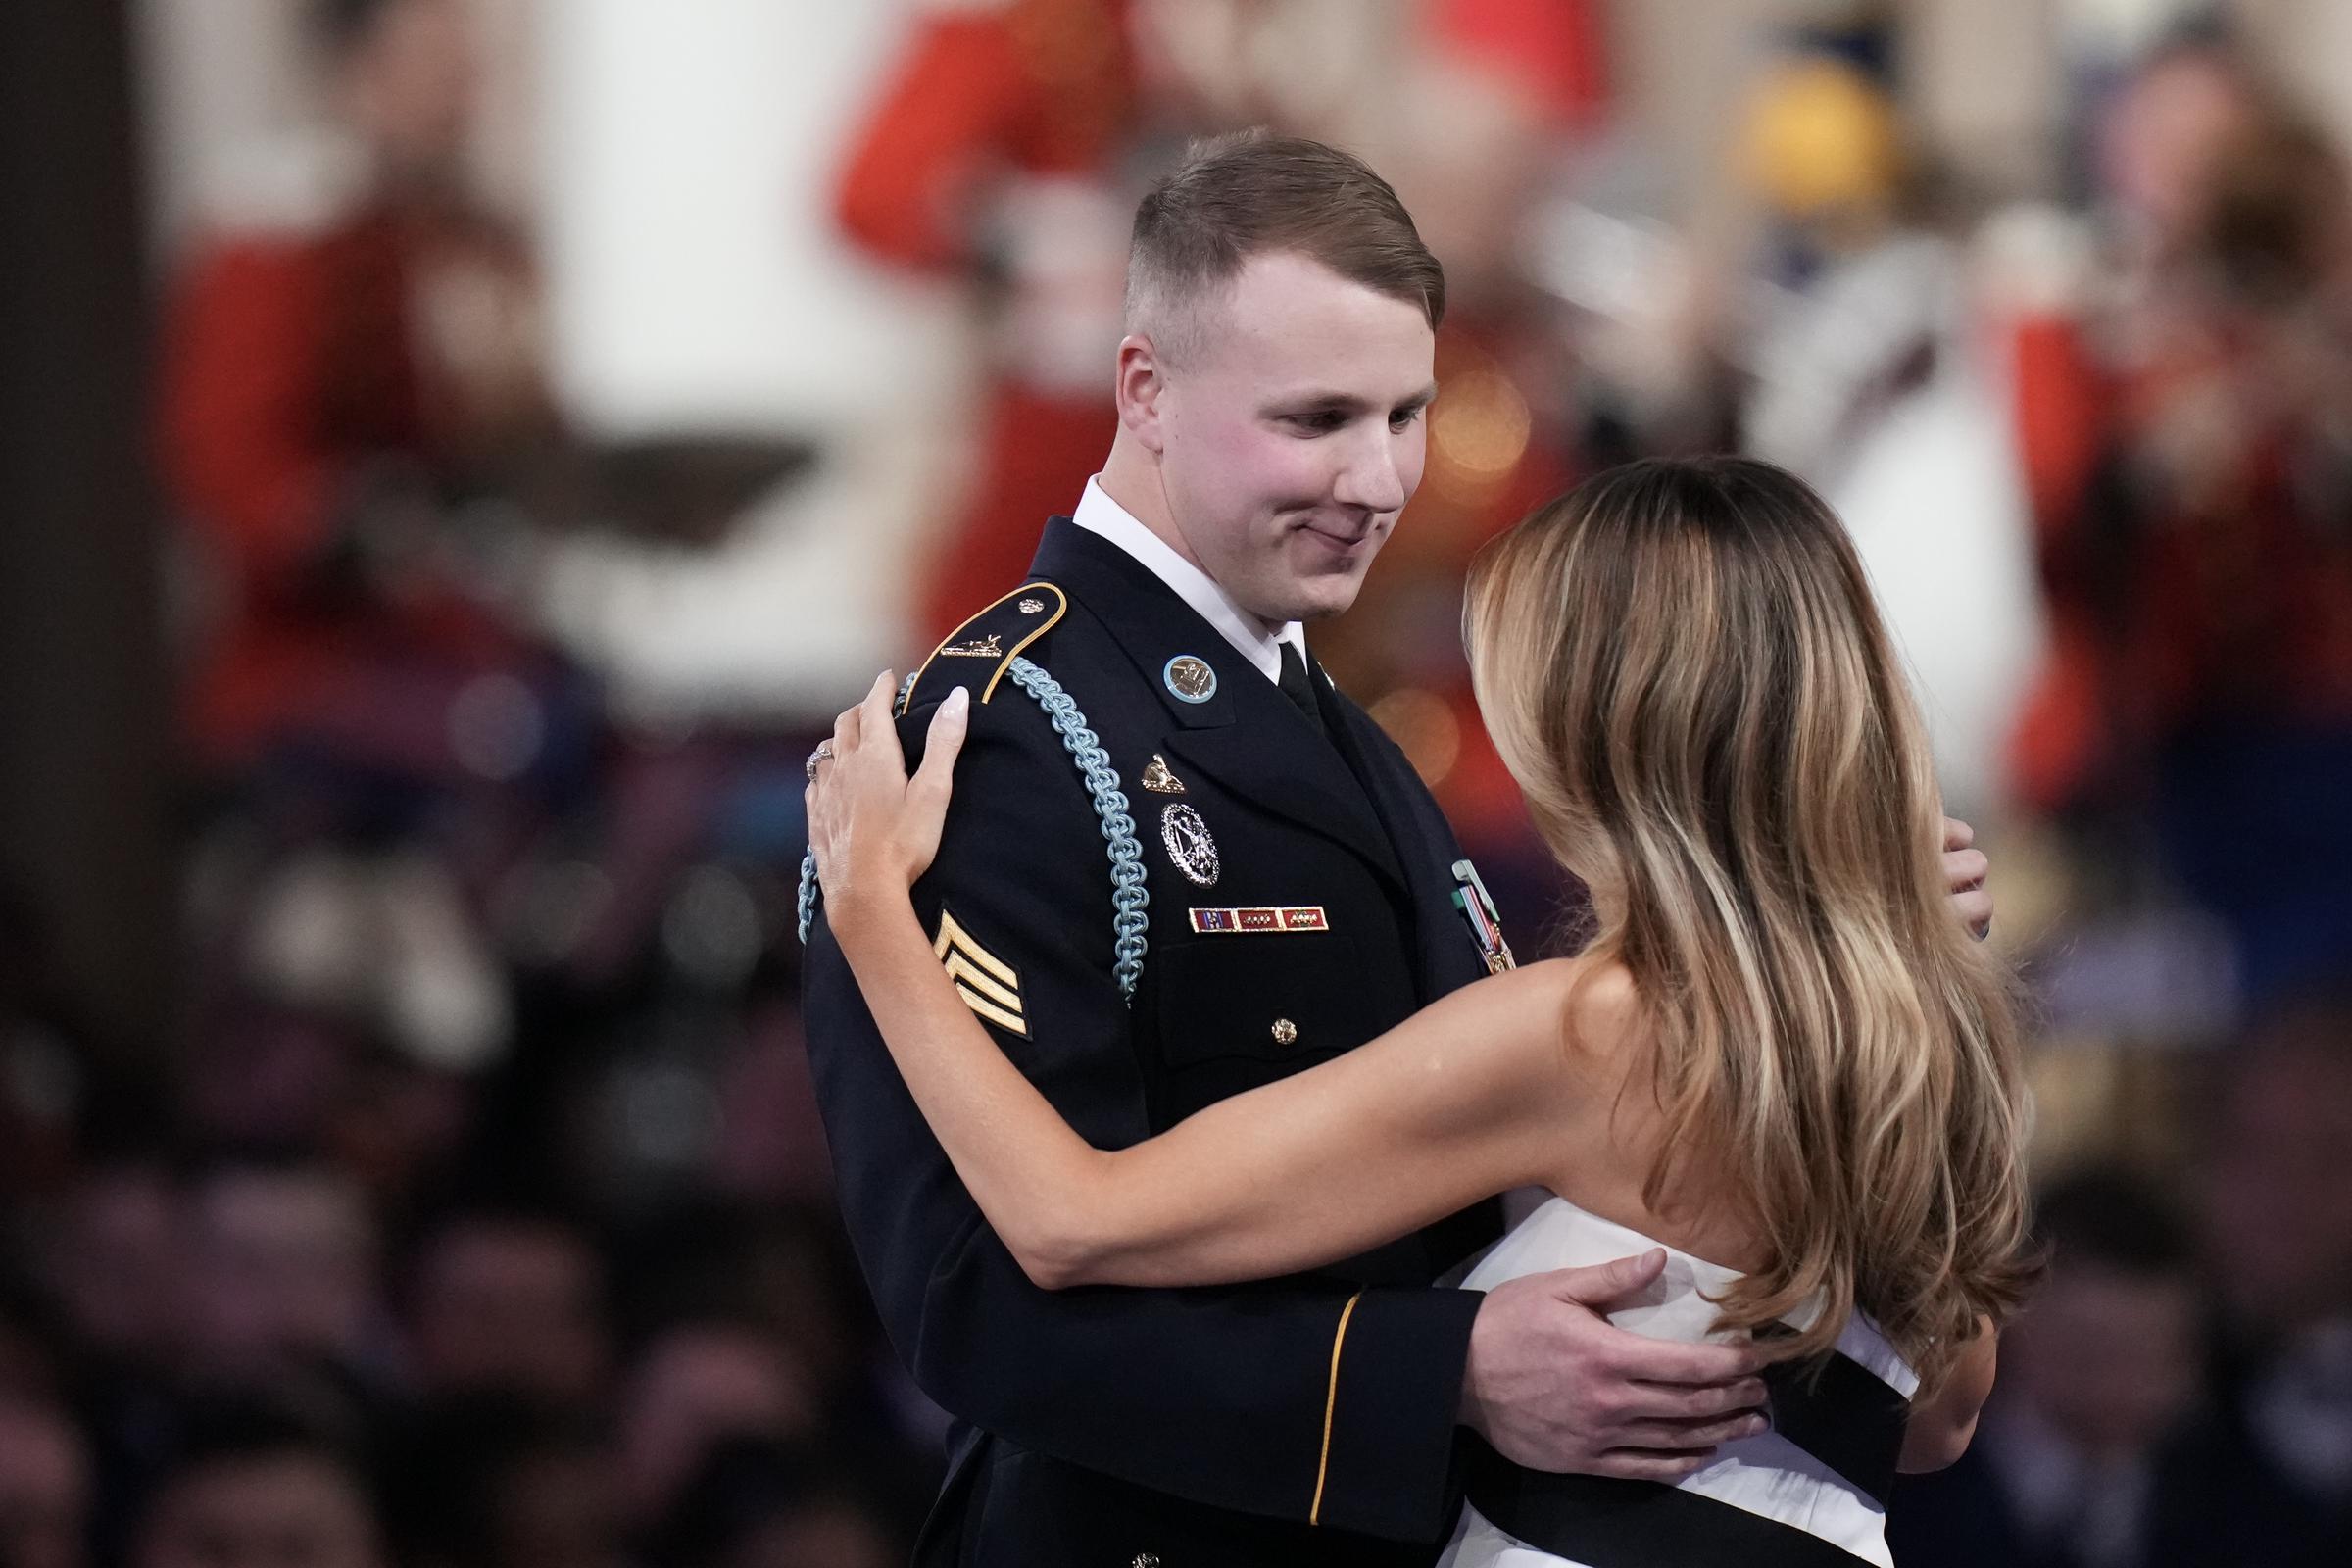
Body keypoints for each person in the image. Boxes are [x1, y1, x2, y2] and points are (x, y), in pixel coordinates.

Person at [796, 133, 1997, 1566]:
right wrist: (1444, 1376)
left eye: (1405, 414)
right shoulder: (995, 740)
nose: (1378, 480)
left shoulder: (1359, 740)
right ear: (1145, 392)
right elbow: (979, 1294)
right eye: (1315, 419)